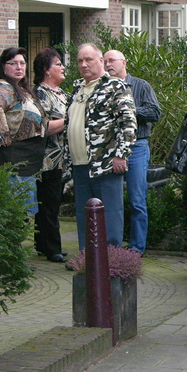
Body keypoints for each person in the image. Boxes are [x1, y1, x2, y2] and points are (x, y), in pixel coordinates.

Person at [63, 43, 136, 250]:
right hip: (79, 165)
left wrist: (121, 155)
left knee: (110, 215)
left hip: (105, 165)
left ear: (101, 61)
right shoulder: (78, 89)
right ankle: (87, 262)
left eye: (89, 60)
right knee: (84, 216)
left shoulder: (115, 86)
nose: (84, 64)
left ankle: (111, 264)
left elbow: (129, 124)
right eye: (80, 61)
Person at [103, 49, 161, 255]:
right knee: (112, 200)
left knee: (137, 199)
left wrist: (128, 110)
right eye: (105, 61)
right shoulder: (103, 88)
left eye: (112, 60)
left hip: (136, 147)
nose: (108, 64)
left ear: (124, 63)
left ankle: (137, 248)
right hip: (109, 148)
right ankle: (112, 246)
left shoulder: (140, 85)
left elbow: (155, 112)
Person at [0, 47, 51, 214]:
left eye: (22, 63)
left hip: (27, 164)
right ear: (3, 67)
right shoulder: (3, 88)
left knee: (23, 216)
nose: (19, 67)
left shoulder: (21, 89)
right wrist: (3, 136)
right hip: (13, 164)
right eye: (13, 63)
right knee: (16, 216)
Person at [33, 48, 69, 263]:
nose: (63, 67)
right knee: (49, 202)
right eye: (58, 64)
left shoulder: (63, 94)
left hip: (64, 156)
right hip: (48, 158)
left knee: (52, 201)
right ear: (46, 70)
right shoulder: (39, 94)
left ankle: (43, 244)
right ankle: (52, 247)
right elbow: (43, 126)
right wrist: (71, 120)